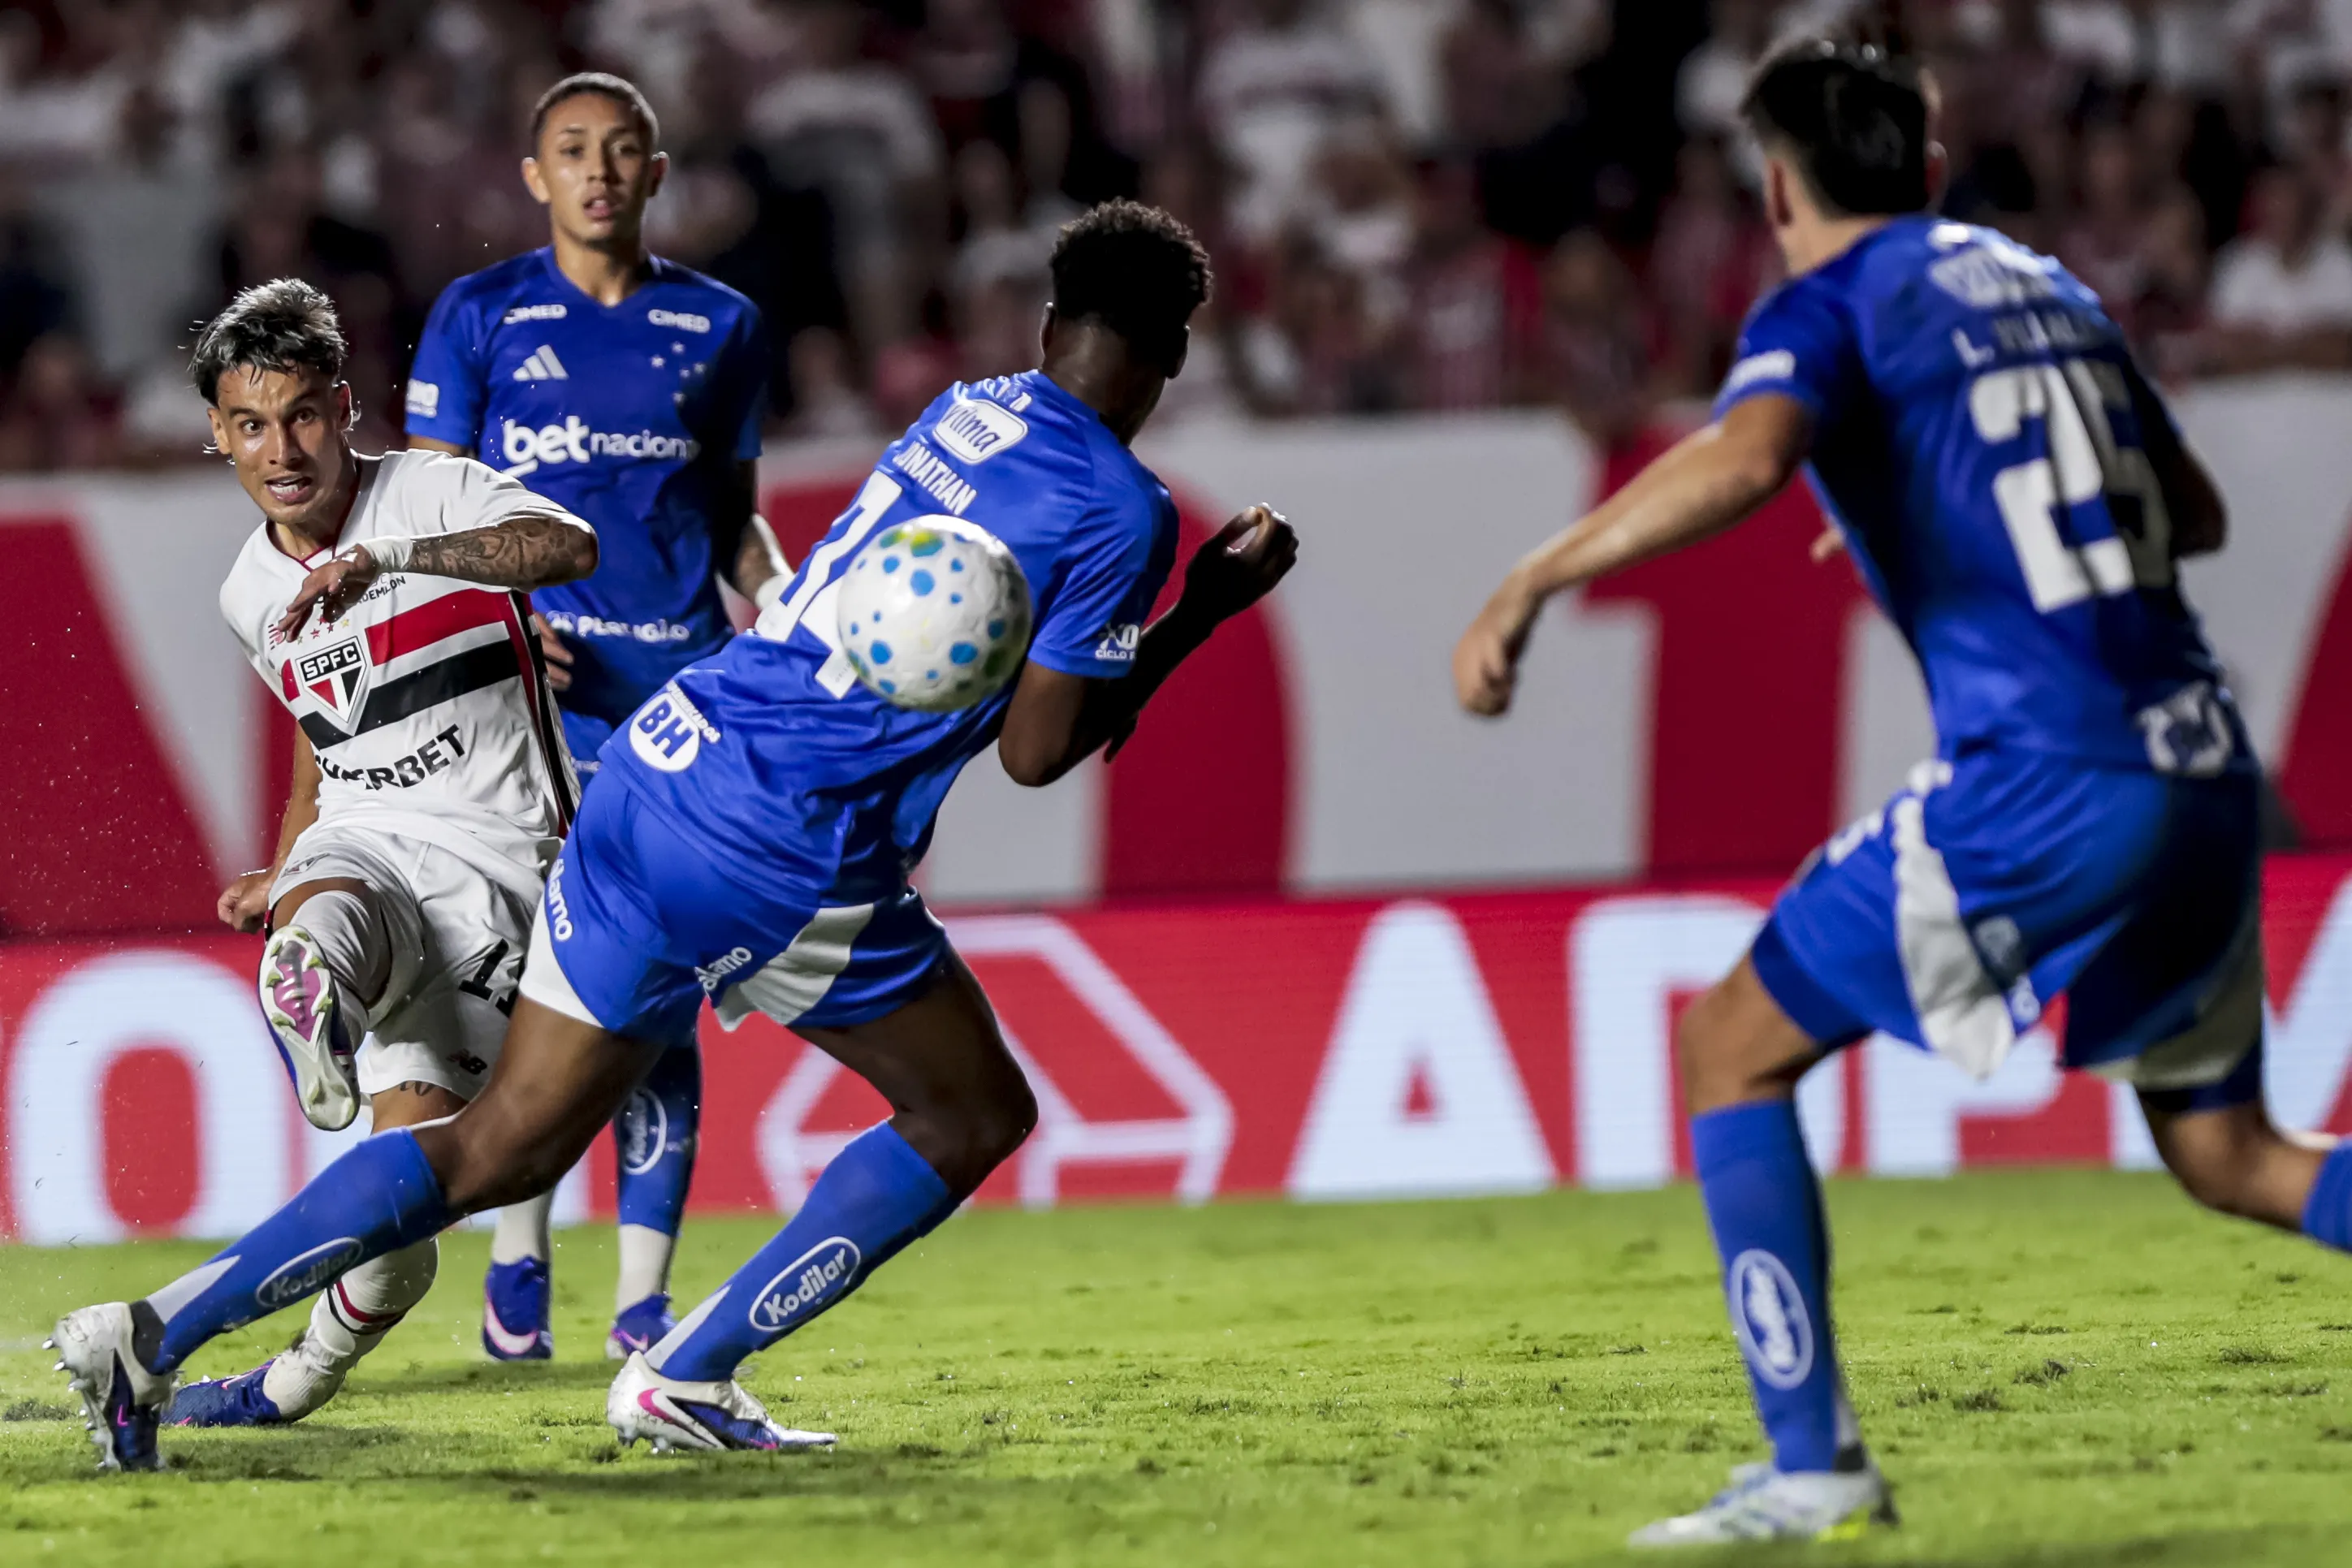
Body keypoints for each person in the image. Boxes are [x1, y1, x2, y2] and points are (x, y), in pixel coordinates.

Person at [52, 198, 1296, 1467]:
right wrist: (1203, 604)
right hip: (789, 839)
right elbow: (1041, 754)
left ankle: (152, 1328)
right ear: (1177, 355)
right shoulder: (1124, 512)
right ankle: (686, 1370)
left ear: (1046, 323)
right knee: (969, 1112)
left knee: (498, 1146)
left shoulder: (966, 407)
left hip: (659, 760)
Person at [1455, 39, 2337, 1546]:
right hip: (2199, 763)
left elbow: (1743, 458)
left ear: (1780, 185)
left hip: (2053, 775)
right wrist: (1930, 498)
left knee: (1728, 1047)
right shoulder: (2052, 287)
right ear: (1927, 169)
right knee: (2230, 1152)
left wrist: (1537, 576)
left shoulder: (1827, 302)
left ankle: (1815, 1468)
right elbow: (2190, 510)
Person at [151, 279, 596, 1438]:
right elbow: (320, 737)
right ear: (216, 433)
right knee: (337, 889)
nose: (281, 449)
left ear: (344, 408)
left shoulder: (430, 486)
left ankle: (290, 1381)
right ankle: (310, 979)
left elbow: (570, 541)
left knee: (398, 1223)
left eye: (302, 415)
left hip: (503, 879)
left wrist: (397, 557)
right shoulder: (246, 592)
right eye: (250, 424)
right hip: (368, 844)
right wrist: (286, 858)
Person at [403, 71, 786, 1363]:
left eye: (623, 151)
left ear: (659, 172)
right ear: (534, 175)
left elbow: (732, 515)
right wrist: (503, 617)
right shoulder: (479, 316)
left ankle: (643, 1304)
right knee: (543, 991)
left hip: (680, 708)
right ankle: (520, 1252)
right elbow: (430, 516)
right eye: (573, 150)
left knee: (661, 1001)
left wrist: (780, 599)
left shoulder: (722, 324)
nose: (599, 171)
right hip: (538, 711)